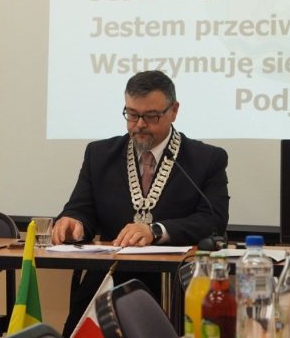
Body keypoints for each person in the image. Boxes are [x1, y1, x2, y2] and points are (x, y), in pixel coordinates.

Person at [51, 70, 229, 336]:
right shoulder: (100, 154)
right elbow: (81, 208)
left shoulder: (206, 159)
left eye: (151, 116)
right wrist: (73, 221)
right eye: (132, 115)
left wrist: (156, 231)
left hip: (175, 285)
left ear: (174, 111)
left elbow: (213, 220)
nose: (139, 125)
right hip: (109, 281)